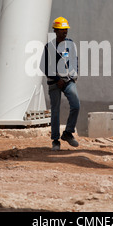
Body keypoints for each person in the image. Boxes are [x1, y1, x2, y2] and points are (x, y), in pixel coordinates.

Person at [40, 17, 80, 151]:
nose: (65, 32)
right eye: (62, 30)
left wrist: (74, 76)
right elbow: (43, 66)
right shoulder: (49, 47)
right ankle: (55, 140)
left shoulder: (70, 44)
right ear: (55, 31)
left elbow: (74, 60)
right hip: (54, 82)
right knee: (55, 111)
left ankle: (68, 133)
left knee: (76, 105)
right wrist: (57, 79)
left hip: (68, 81)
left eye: (66, 30)